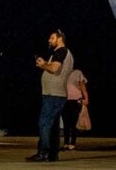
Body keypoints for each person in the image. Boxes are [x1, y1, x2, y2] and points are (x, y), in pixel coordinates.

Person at [26, 30, 74, 163]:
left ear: (60, 39)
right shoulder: (61, 53)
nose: (49, 40)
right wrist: (46, 64)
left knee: (45, 123)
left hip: (54, 94)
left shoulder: (61, 51)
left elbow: (54, 69)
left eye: (52, 38)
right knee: (52, 126)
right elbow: (54, 67)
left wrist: (43, 65)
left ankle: (43, 153)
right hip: (55, 94)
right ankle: (52, 155)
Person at [62, 68, 88, 151]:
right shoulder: (63, 71)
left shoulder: (78, 72)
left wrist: (86, 98)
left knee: (74, 123)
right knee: (66, 123)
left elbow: (82, 85)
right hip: (64, 99)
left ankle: (72, 143)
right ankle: (66, 143)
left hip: (76, 100)